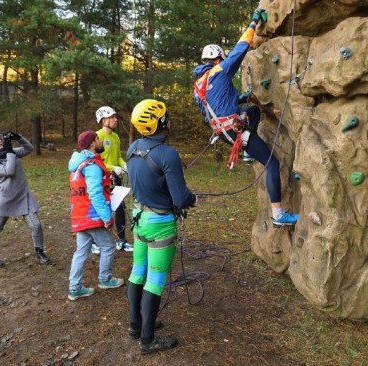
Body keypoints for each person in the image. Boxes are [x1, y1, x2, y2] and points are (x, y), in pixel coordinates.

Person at [193, 9, 299, 228]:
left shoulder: (198, 87)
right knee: (272, 163)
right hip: (235, 130)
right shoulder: (219, 71)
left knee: (253, 110)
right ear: (217, 59)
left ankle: (247, 154)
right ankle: (278, 214)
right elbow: (241, 49)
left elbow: (210, 111)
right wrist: (253, 24)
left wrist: (236, 98)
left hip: (222, 131)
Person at [126, 99, 197, 354]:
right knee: (154, 281)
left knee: (137, 272)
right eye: (166, 116)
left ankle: (136, 326)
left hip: (139, 219)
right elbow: (180, 198)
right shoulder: (167, 154)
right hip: (160, 224)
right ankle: (148, 340)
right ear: (160, 122)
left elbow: (149, 184)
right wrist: (193, 198)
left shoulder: (132, 148)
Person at [0, 132, 52, 267]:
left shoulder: (9, 152)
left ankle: (39, 251)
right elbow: (9, 170)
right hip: (5, 198)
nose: (0, 140)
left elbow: (29, 149)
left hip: (23, 195)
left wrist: (19, 138)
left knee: (36, 225)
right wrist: (9, 150)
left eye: (0, 137)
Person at [67, 131, 125, 300]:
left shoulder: (79, 164)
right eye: (98, 139)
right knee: (108, 246)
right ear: (92, 143)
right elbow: (95, 194)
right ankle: (105, 279)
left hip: (79, 214)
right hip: (92, 215)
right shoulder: (92, 165)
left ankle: (74, 288)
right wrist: (107, 217)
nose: (100, 141)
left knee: (81, 251)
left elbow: (88, 190)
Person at [95, 106, 133, 254]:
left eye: (115, 117)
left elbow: (117, 156)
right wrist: (112, 167)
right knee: (101, 209)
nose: (116, 119)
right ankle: (95, 242)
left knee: (120, 208)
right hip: (102, 178)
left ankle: (122, 241)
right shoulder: (97, 136)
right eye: (112, 117)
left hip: (115, 178)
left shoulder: (115, 137)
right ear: (104, 120)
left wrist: (124, 165)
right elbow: (97, 160)